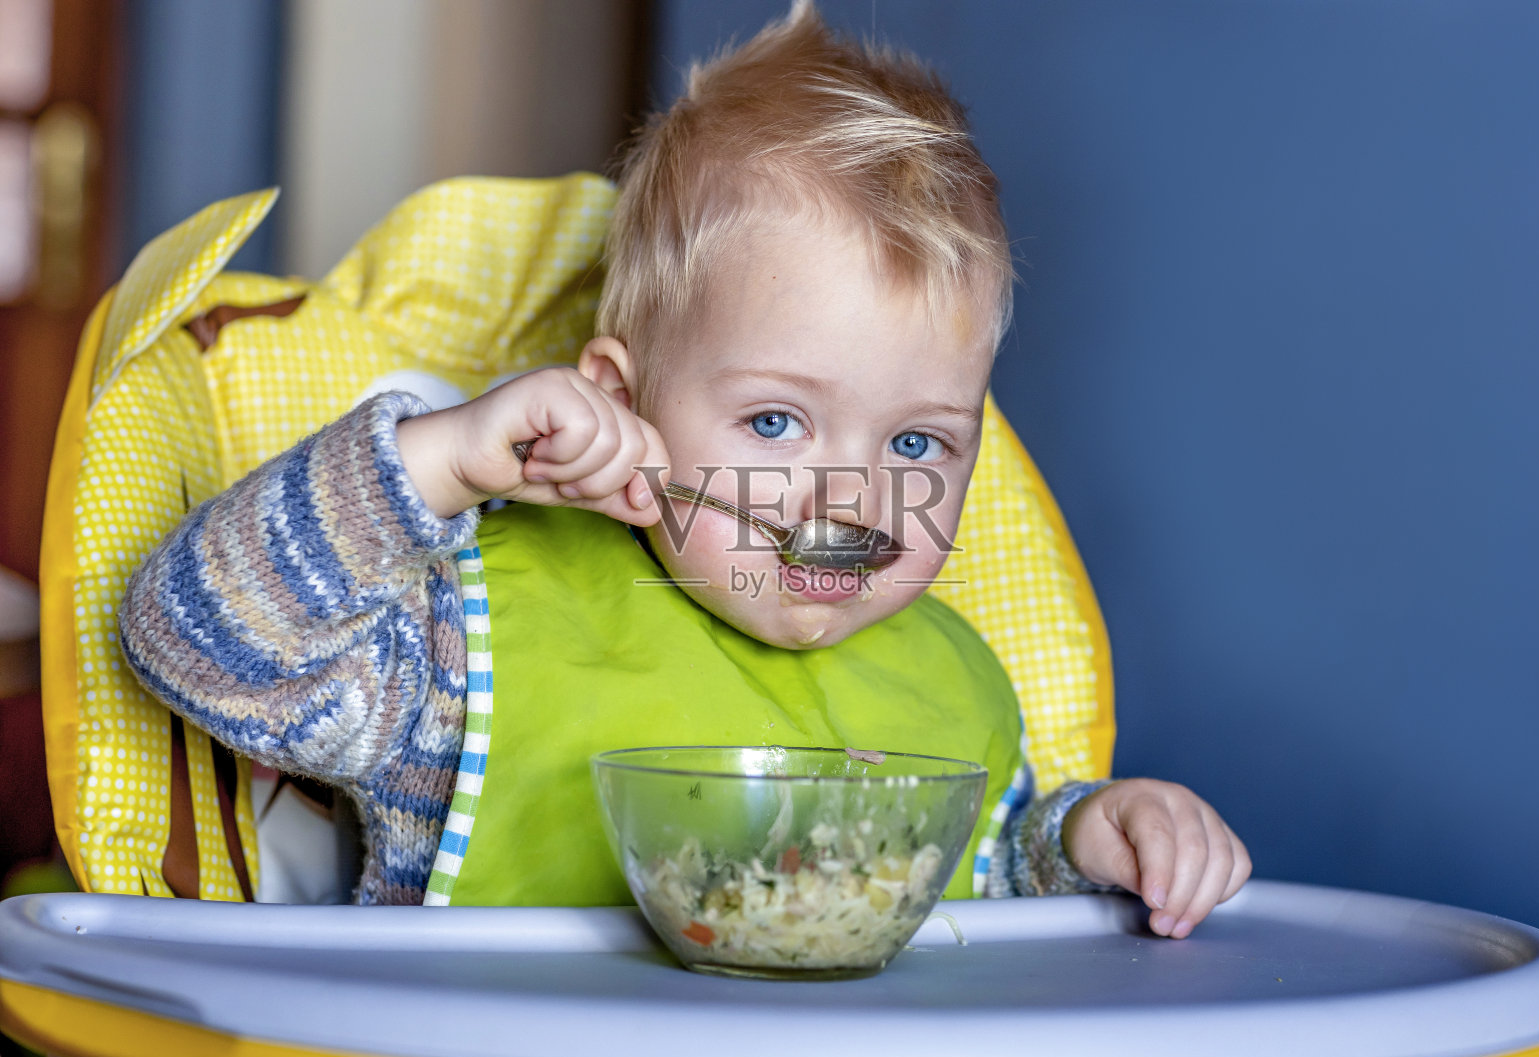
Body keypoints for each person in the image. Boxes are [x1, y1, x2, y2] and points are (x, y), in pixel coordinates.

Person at [120, 1, 1248, 939]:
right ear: (618, 399)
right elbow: (190, 640)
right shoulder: (466, 644)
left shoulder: (950, 681)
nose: (851, 502)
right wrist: (444, 459)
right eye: (774, 420)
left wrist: (1088, 841)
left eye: (915, 444)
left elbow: (982, 894)